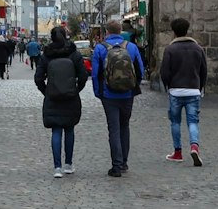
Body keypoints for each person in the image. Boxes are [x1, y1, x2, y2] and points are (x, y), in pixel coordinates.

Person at [89, 18, 146, 177]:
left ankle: (116, 165)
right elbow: (140, 70)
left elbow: (95, 74)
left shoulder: (100, 48)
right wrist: (134, 86)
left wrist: (98, 92)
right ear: (121, 31)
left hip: (109, 94)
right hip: (127, 94)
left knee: (113, 128)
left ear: (106, 32)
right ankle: (124, 162)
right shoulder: (132, 47)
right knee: (124, 126)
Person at [35, 25, 89, 178]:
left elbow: (38, 78)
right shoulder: (74, 54)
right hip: (70, 97)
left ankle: (57, 167)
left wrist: (46, 91)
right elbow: (83, 76)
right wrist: (76, 89)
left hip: (53, 98)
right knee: (69, 129)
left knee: (56, 131)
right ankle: (68, 164)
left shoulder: (46, 55)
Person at [156, 16, 206, 166]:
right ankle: (194, 146)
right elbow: (204, 70)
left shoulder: (170, 49)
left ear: (173, 31)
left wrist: (168, 86)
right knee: (193, 122)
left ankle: (177, 152)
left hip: (176, 90)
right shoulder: (198, 49)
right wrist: (200, 86)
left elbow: (164, 72)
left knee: (175, 122)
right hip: (193, 90)